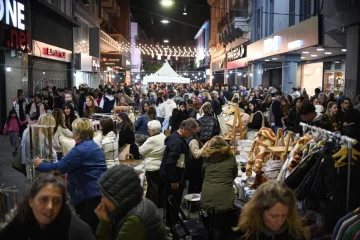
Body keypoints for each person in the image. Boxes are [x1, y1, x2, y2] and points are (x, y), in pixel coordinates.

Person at [34, 118, 107, 234]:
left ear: (78, 135)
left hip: (88, 196)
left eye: (73, 133)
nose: (72, 135)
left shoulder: (80, 150)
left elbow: (59, 167)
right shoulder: (92, 146)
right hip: (95, 193)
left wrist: (40, 165)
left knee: (89, 230)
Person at [0, 173, 95, 240]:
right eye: (43, 199)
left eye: (56, 201)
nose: (50, 206)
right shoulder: (21, 222)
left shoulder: (79, 233)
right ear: (31, 202)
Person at [95, 165, 167, 240]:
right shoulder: (134, 205)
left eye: (105, 196)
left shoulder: (135, 220)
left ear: (117, 196)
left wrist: (105, 224)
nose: (102, 201)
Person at [160, 118, 199, 231]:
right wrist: (174, 181)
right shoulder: (177, 142)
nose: (192, 135)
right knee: (173, 204)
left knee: (172, 204)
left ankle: (172, 225)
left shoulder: (176, 138)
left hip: (174, 176)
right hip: (173, 178)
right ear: (184, 129)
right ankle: (172, 228)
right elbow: (170, 162)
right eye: (191, 132)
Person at [233, 180, 304, 240]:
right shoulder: (245, 234)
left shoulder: (295, 233)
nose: (280, 222)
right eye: (274, 216)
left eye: (284, 215)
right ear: (260, 211)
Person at [201, 136, 237, 239]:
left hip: (207, 195)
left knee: (209, 223)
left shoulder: (206, 158)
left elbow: (203, 176)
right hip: (224, 197)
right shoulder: (231, 158)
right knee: (223, 226)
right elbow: (233, 175)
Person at [139, 120, 166, 207]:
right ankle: (161, 203)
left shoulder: (151, 139)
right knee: (159, 186)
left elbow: (141, 151)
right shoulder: (163, 136)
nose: (148, 131)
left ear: (153, 130)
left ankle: (153, 206)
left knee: (152, 188)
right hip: (161, 165)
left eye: (149, 129)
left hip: (151, 166)